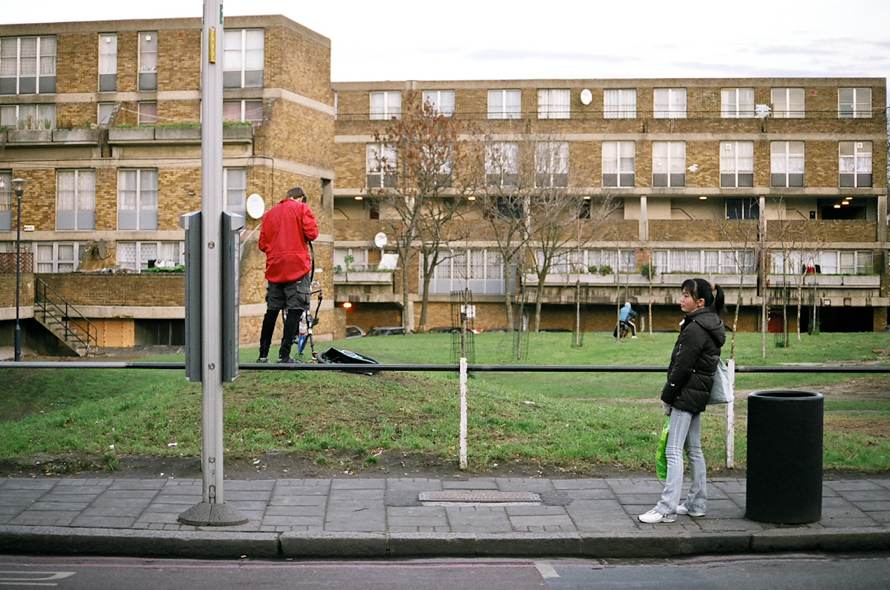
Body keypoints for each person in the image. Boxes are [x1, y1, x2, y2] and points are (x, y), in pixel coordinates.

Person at [639, 278, 725, 524]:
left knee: (673, 450)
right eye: (682, 295)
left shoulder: (696, 328)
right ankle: (697, 504)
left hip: (685, 395)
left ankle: (665, 508)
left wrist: (667, 396)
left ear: (699, 302)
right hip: (697, 394)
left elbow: (681, 367)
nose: (681, 299)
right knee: (694, 450)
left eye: (686, 295)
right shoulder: (709, 324)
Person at [257, 186, 319, 363]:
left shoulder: (269, 214)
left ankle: (262, 355)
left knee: (272, 310)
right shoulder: (301, 209)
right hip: (297, 267)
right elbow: (312, 233)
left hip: (275, 267)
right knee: (295, 309)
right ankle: (284, 355)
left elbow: (262, 244)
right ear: (300, 198)